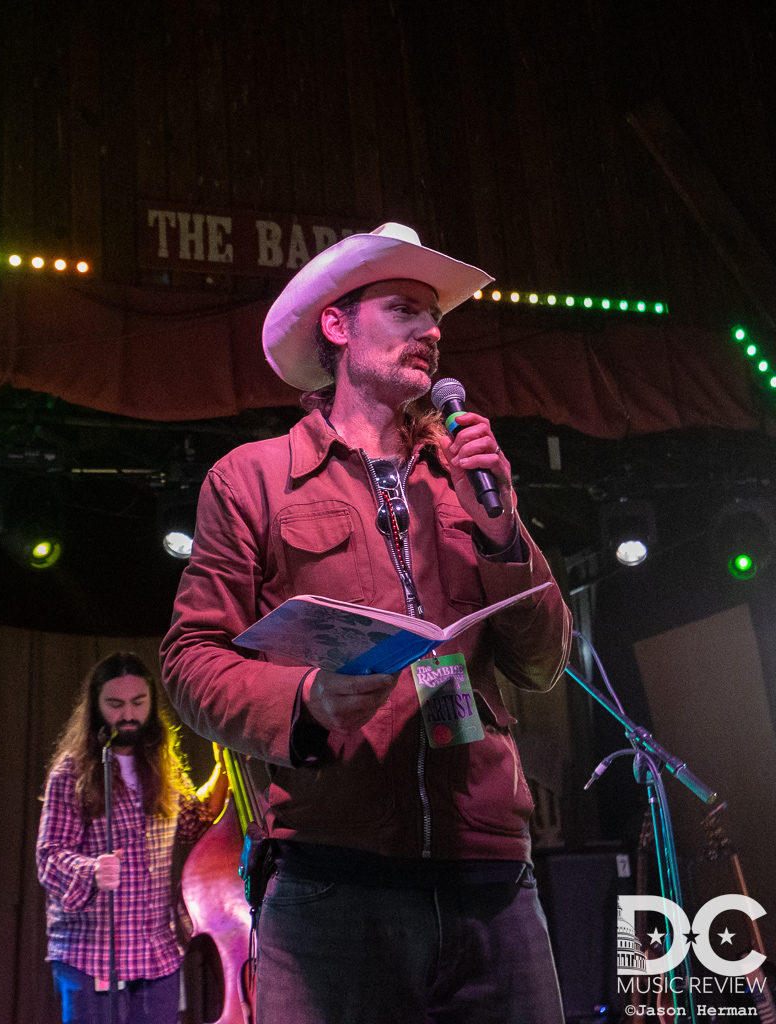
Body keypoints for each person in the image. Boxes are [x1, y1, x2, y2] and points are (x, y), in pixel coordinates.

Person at [160, 223, 574, 1023]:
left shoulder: (468, 477)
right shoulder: (253, 478)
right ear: (338, 326)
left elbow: (543, 661)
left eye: (435, 317)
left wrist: (501, 529)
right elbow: (189, 662)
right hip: (331, 883)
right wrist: (304, 699)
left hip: (491, 878)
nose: (432, 331)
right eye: (404, 309)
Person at [36, 651, 228, 1024]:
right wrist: (91, 870)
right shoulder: (70, 773)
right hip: (90, 955)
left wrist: (223, 769)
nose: (128, 714)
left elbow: (194, 823)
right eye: (115, 704)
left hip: (155, 953)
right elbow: (49, 856)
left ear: (152, 704)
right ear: (96, 707)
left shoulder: (161, 765)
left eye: (138, 703)